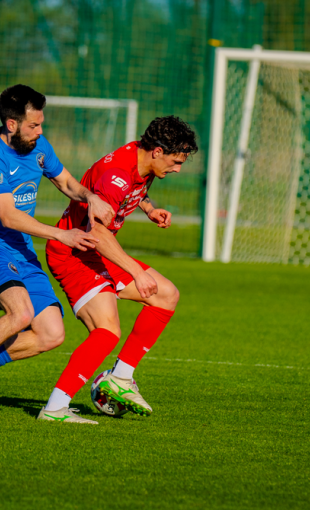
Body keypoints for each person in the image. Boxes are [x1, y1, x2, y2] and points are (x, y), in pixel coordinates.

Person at [0, 84, 115, 419]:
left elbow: (65, 182)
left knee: (51, 334)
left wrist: (89, 196)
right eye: (34, 125)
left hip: (22, 251)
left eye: (41, 123)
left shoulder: (38, 145)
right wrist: (63, 235)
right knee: (19, 314)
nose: (40, 131)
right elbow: (7, 215)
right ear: (11, 125)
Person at [40, 116, 198, 424]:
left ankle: (120, 378)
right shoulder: (117, 175)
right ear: (157, 151)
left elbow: (133, 191)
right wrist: (137, 273)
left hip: (97, 251)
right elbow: (98, 232)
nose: (178, 168)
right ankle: (54, 409)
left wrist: (149, 208)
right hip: (75, 253)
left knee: (166, 294)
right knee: (107, 331)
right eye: (176, 161)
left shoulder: (138, 160)